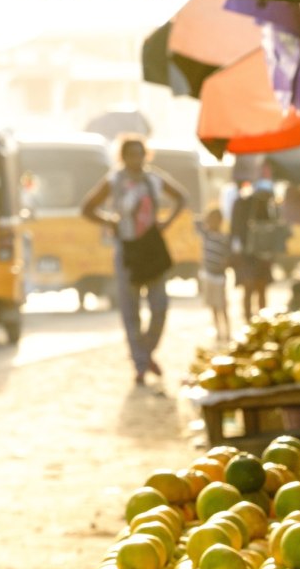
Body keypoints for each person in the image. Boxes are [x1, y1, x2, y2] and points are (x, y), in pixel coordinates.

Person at [82, 135, 187, 385]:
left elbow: (181, 197)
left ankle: (146, 351)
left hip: (152, 249)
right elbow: (87, 207)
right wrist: (111, 222)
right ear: (124, 156)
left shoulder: (153, 178)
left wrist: (166, 221)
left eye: (140, 154)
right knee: (131, 312)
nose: (136, 159)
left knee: (159, 307)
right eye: (131, 154)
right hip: (127, 250)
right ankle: (140, 364)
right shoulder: (114, 180)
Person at [229, 177, 278, 319]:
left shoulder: (244, 203)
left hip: (255, 254)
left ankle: (258, 321)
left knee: (255, 289)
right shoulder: (244, 203)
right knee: (253, 288)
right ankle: (253, 321)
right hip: (251, 254)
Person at [197, 206, 231, 343]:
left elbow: (228, 256)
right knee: (213, 306)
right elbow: (196, 222)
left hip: (219, 276)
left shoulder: (223, 238)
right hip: (208, 275)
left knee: (222, 306)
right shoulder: (207, 235)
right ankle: (218, 331)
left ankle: (228, 331)